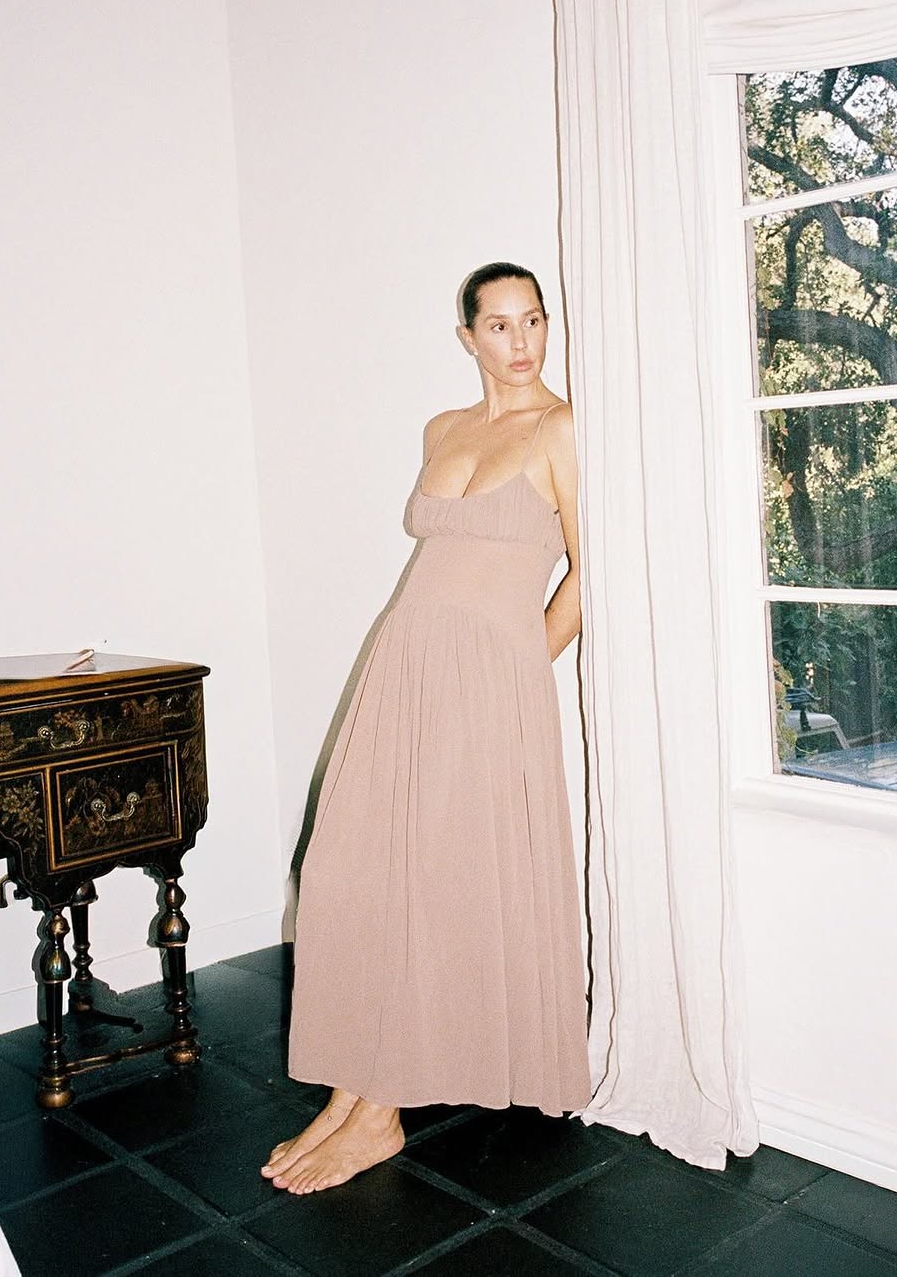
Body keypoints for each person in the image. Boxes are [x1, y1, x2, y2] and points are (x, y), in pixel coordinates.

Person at [262, 263, 590, 1195]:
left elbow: (592, 572)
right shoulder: (442, 429)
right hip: (403, 663)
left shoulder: (562, 429)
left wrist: (520, 666)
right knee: (348, 870)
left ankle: (381, 1112)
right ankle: (350, 1089)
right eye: (500, 325)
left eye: (534, 320)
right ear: (468, 338)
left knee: (431, 883)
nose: (522, 342)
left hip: (488, 682)